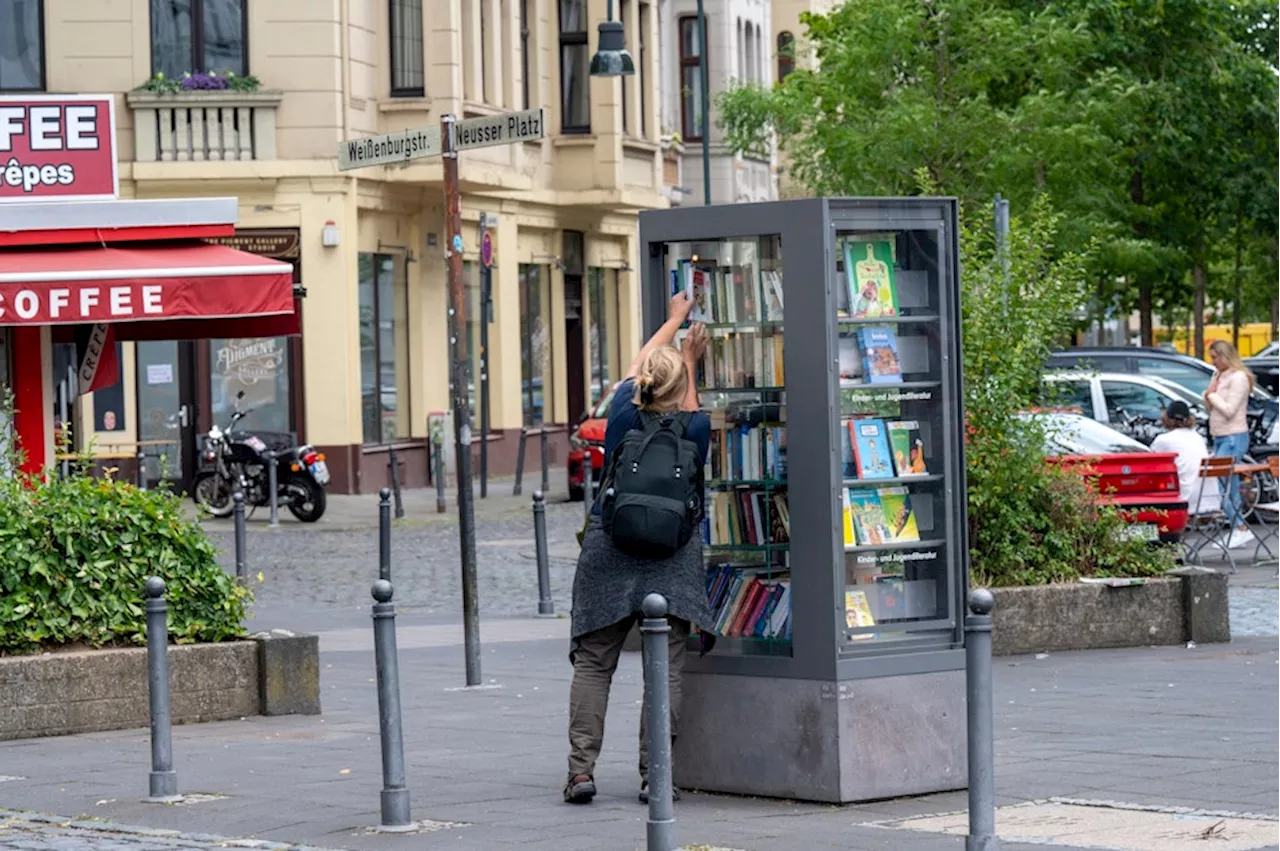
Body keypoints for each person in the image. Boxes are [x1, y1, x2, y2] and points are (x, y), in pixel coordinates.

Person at [564, 291, 712, 806]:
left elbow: (635, 367)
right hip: (671, 558)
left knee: (594, 662)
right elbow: (687, 412)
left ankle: (581, 772)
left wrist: (671, 319)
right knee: (664, 669)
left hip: (610, 546)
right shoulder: (696, 425)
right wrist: (690, 361)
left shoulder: (624, 415)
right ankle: (656, 776)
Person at [1204, 340, 1255, 549]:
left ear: (1225, 356)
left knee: (1226, 485)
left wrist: (1211, 395)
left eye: (1216, 357)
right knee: (1225, 484)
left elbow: (1229, 409)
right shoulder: (1219, 376)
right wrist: (1210, 394)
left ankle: (1240, 527)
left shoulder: (1239, 378)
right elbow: (1210, 406)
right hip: (1220, 435)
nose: (1213, 361)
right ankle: (1238, 526)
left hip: (1234, 435)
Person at [1150, 400, 1219, 515]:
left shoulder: (1164, 440)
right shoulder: (1198, 437)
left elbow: (1151, 464)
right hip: (1212, 499)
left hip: (1187, 500)